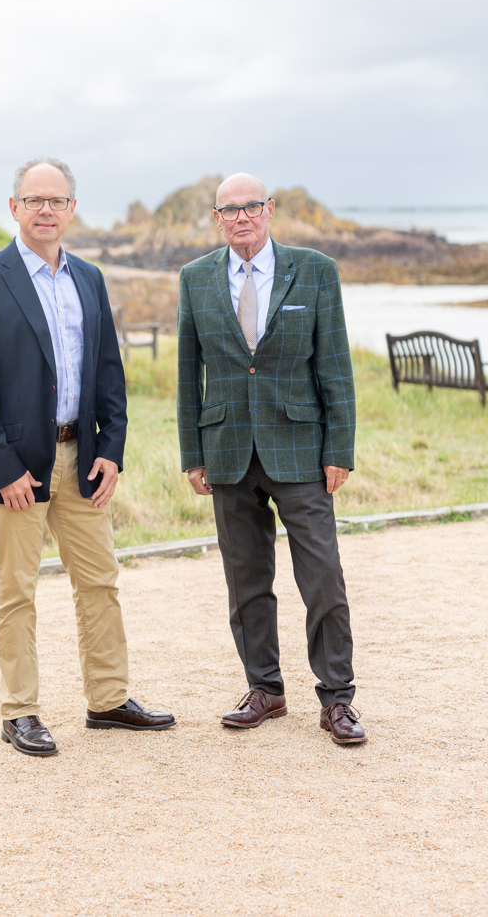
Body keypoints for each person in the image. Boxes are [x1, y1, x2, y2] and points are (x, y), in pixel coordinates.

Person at [0, 157, 175, 757]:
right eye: (34, 200)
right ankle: (19, 712)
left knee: (100, 582)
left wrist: (113, 451)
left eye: (56, 200)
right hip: (18, 467)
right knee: (17, 592)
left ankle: (108, 699)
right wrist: (2, 469)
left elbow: (109, 372)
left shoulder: (90, 279)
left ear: (72, 209)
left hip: (84, 459)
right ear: (14, 208)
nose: (45, 209)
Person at [177, 173, 365, 745]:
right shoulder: (194, 278)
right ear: (217, 219)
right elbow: (188, 374)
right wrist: (192, 454)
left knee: (323, 575)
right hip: (227, 449)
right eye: (229, 210)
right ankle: (265, 689)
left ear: (269, 209)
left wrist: (339, 449)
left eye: (251, 207)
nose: (241, 217)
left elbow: (335, 365)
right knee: (246, 580)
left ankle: (337, 698)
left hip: (302, 449)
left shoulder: (315, 270)